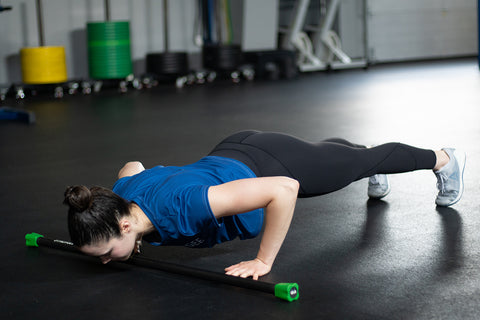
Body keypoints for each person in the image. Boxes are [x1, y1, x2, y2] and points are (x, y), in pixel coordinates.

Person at [63, 130, 466, 280]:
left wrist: (264, 261)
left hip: (272, 164)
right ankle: (354, 160)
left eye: (106, 252)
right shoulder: (120, 195)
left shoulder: (185, 207)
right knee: (336, 162)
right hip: (234, 149)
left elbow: (284, 190)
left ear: (125, 227)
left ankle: (445, 158)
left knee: (358, 163)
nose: (106, 261)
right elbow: (133, 166)